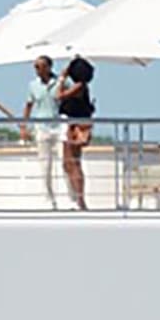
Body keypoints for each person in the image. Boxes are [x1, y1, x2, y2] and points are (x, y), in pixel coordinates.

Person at [20, 55, 61, 208]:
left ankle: (71, 198)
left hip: (59, 126)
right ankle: (49, 200)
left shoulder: (60, 82)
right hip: (41, 127)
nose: (37, 70)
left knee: (66, 162)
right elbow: (29, 105)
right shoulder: (33, 85)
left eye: (40, 66)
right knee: (45, 165)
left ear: (49, 67)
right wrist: (23, 126)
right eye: (36, 67)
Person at [56, 56, 95, 210]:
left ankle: (80, 199)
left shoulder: (80, 86)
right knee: (69, 163)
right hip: (73, 124)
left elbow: (59, 96)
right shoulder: (81, 86)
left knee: (73, 162)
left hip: (75, 125)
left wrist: (61, 78)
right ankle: (76, 197)